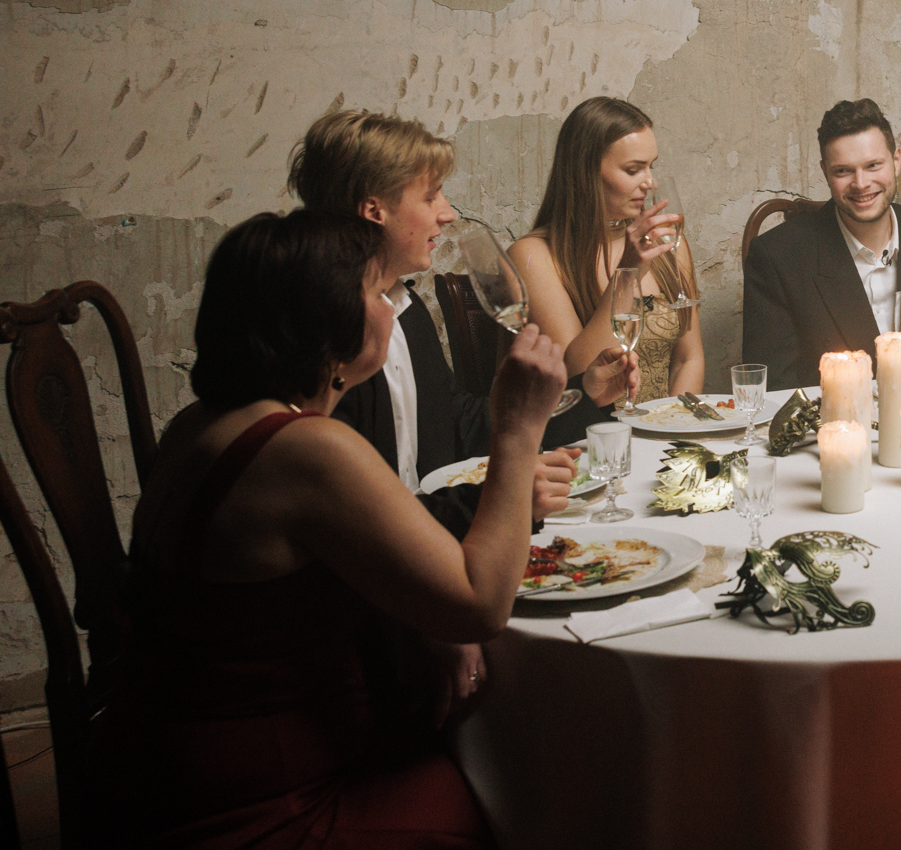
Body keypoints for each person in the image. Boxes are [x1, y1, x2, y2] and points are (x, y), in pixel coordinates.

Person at [95, 210, 564, 846]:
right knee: (518, 792)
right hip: (265, 807)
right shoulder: (308, 450)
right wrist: (517, 429)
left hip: (161, 769)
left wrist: (426, 620)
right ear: (328, 327)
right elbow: (481, 605)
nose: (391, 307)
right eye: (377, 292)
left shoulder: (201, 423)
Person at [285, 108, 636, 532]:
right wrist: (505, 497)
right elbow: (351, 519)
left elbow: (462, 425)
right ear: (375, 211)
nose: (448, 213)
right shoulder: (322, 335)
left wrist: (586, 391)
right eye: (431, 196)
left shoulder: (405, 309)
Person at [744, 98, 901, 388]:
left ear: (896, 161)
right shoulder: (777, 257)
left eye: (873, 165)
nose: (861, 184)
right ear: (825, 172)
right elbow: (775, 391)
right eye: (843, 171)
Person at [512, 97, 703, 439]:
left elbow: (689, 359)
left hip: (665, 438)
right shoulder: (533, 256)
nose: (650, 182)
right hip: (588, 444)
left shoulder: (668, 243)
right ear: (585, 172)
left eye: (651, 166)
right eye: (633, 170)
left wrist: (671, 434)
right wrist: (628, 273)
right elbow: (578, 374)